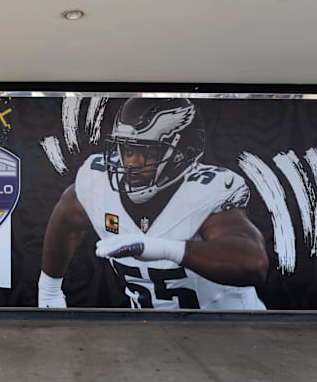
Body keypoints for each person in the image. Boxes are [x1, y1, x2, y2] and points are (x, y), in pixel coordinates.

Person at [38, 98, 268, 309]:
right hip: (151, 334)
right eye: (127, 149)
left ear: (182, 155)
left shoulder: (206, 192)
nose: (131, 163)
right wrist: (49, 290)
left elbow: (253, 263)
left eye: (146, 152)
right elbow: (66, 217)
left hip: (231, 331)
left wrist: (162, 249)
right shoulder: (98, 183)